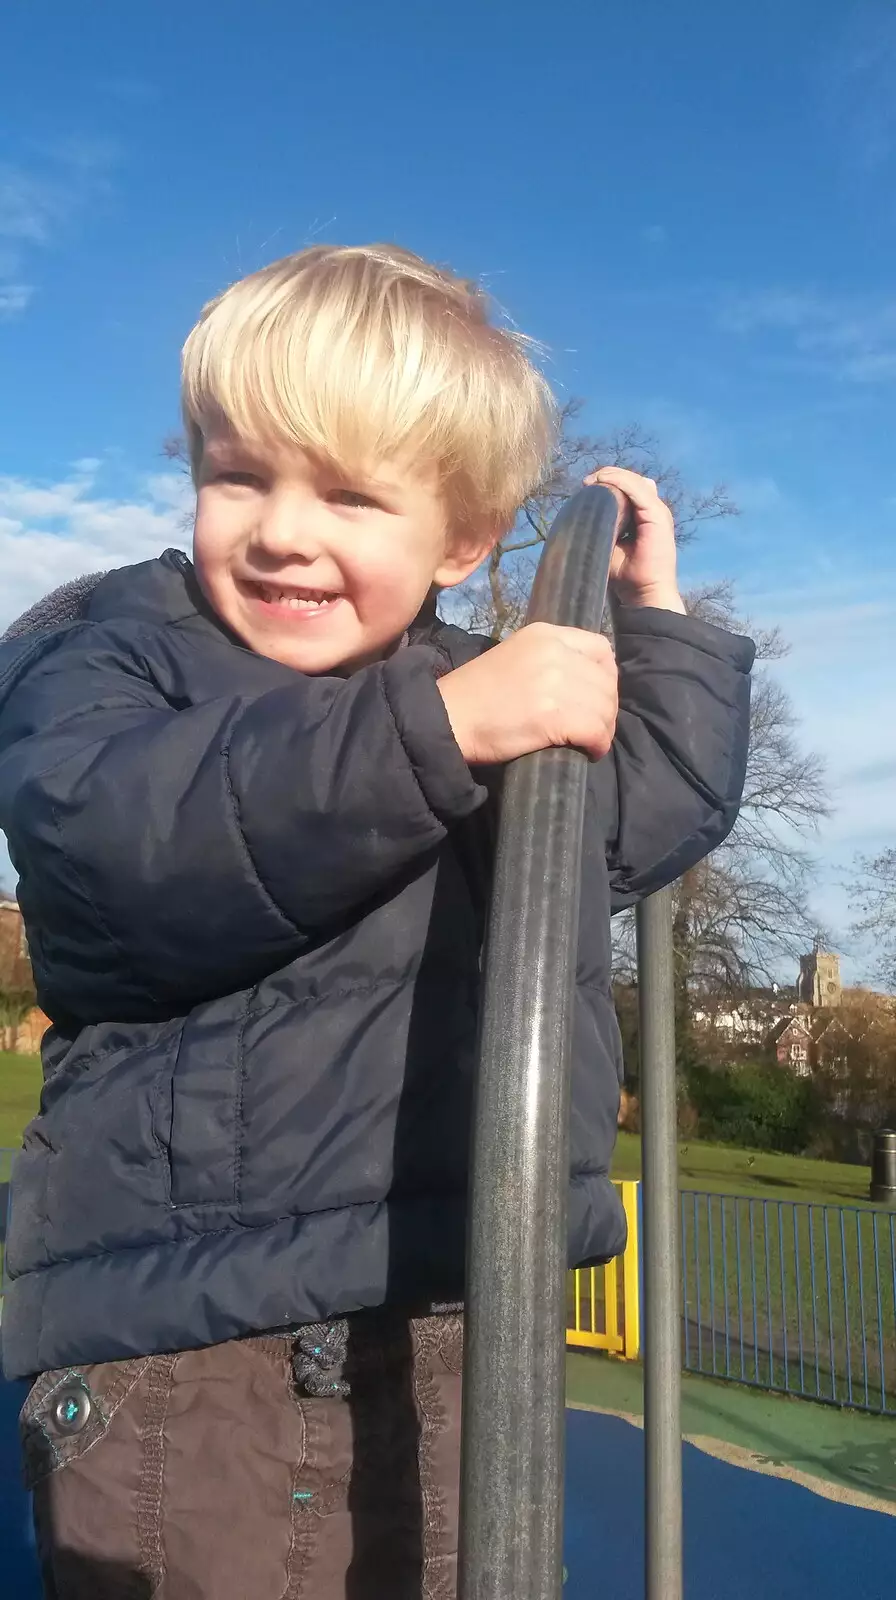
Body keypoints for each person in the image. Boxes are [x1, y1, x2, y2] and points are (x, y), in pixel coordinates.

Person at [0, 244, 755, 1600]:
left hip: (461, 1305)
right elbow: (119, 841)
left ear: (461, 542)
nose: (284, 530)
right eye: (241, 475)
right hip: (201, 1346)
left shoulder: (472, 685)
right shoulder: (120, 650)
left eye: (350, 494)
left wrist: (661, 639)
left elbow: (622, 828)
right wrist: (445, 728)